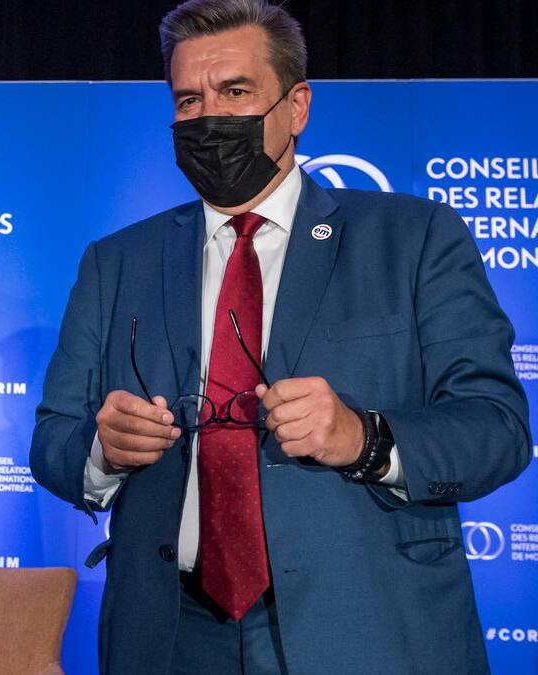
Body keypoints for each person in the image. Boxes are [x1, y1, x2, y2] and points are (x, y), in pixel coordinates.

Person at [30, 1, 531, 673]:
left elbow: (497, 427)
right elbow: (52, 440)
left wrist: (363, 437)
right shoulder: (117, 261)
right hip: (171, 638)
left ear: (297, 107)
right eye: (188, 100)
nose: (208, 117)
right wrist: (103, 449)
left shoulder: (414, 239)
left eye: (235, 92)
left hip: (367, 627)